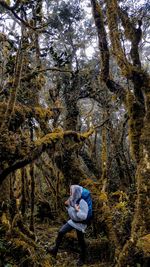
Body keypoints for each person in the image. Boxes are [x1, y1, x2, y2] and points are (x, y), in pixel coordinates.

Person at [47, 184, 90, 266]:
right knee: (61, 232)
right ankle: (55, 250)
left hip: (80, 224)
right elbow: (70, 208)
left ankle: (82, 258)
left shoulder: (82, 201)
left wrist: (77, 210)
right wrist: (67, 205)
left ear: (76, 192)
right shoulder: (72, 198)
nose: (70, 193)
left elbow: (83, 216)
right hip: (72, 221)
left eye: (71, 191)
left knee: (81, 241)